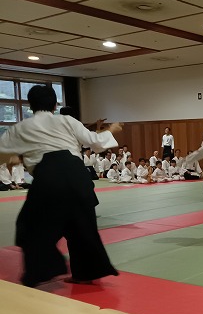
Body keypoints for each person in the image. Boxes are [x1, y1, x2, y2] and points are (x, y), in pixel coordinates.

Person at [0, 85, 120, 287]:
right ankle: (85, 274)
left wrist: (14, 157)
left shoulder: (21, 127)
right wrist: (111, 130)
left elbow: (2, 151)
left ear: (30, 105)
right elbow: (95, 142)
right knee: (81, 226)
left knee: (29, 226)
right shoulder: (67, 120)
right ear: (55, 105)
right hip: (77, 174)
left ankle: (43, 271)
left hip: (49, 177)